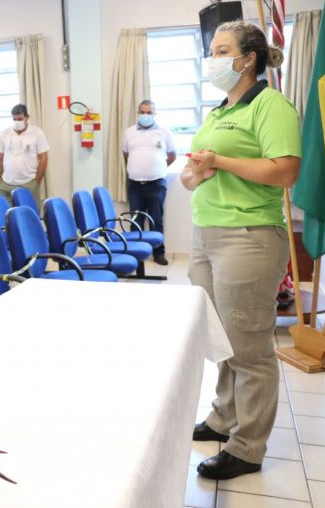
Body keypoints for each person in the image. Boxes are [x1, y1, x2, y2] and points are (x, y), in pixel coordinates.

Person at [182, 21, 299, 480]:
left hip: (248, 236)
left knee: (249, 347)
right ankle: (222, 418)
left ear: (248, 59)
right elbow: (192, 175)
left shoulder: (270, 105)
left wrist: (220, 162)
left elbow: (285, 171)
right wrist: (196, 173)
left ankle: (247, 447)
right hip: (206, 234)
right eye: (211, 50)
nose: (211, 58)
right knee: (221, 339)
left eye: (221, 50)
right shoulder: (218, 111)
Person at [122, 100, 175, 265]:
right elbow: (126, 154)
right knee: (135, 221)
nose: (145, 115)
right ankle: (135, 255)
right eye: (142, 112)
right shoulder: (129, 132)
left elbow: (172, 155)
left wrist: (157, 168)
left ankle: (158, 253)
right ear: (138, 113)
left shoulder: (164, 132)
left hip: (156, 184)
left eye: (149, 112)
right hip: (135, 184)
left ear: (154, 114)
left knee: (156, 220)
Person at [0, 104, 49, 208]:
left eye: (20, 119)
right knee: (3, 214)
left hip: (28, 183)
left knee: (29, 215)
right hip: (6, 184)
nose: (17, 122)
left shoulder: (37, 133)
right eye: (14, 119)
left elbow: (44, 158)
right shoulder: (4, 134)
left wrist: (36, 182)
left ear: (27, 118)